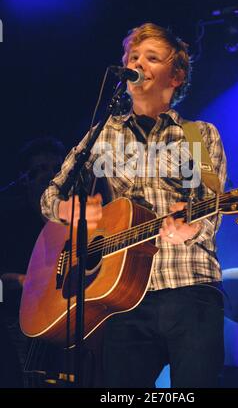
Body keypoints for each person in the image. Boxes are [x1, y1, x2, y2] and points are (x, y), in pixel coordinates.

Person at [40, 23, 227, 388]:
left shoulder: (199, 134)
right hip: (123, 297)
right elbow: (51, 195)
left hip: (190, 287)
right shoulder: (104, 132)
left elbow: (211, 206)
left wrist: (192, 227)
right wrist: (70, 211)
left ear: (176, 76)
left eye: (151, 58)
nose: (138, 62)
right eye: (133, 57)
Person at [0, 137, 65, 385]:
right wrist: (23, 281)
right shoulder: (7, 222)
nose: (49, 177)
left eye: (56, 170)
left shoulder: (75, 220)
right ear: (24, 177)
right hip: (14, 324)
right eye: (41, 170)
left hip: (62, 325)